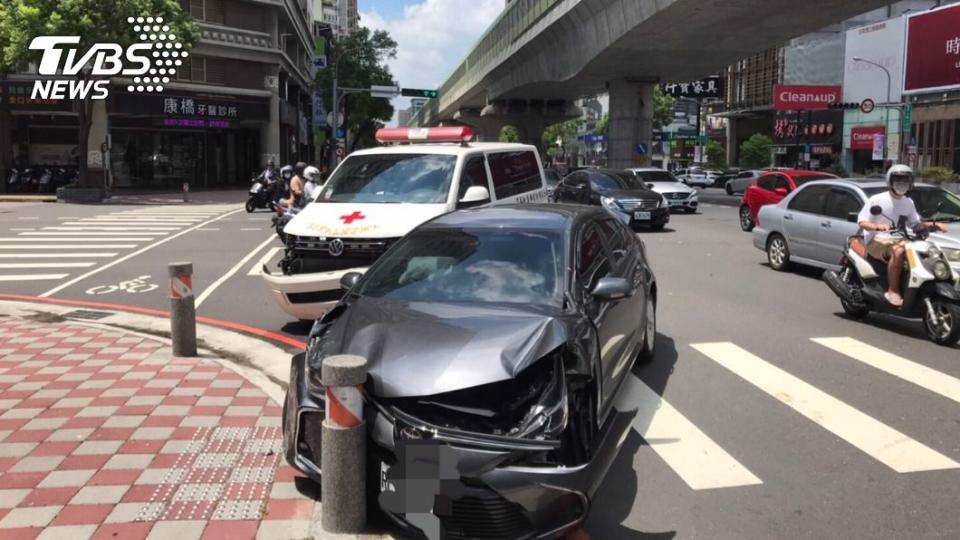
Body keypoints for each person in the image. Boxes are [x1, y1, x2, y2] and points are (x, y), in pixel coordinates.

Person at [857, 164, 947, 307]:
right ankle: (893, 290)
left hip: (898, 239)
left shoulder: (908, 202)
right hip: (876, 239)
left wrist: (933, 225)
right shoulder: (877, 199)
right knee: (898, 251)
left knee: (925, 251)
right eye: (898, 179)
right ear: (890, 181)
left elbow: (915, 224)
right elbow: (862, 222)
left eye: (905, 180)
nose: (902, 184)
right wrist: (877, 226)